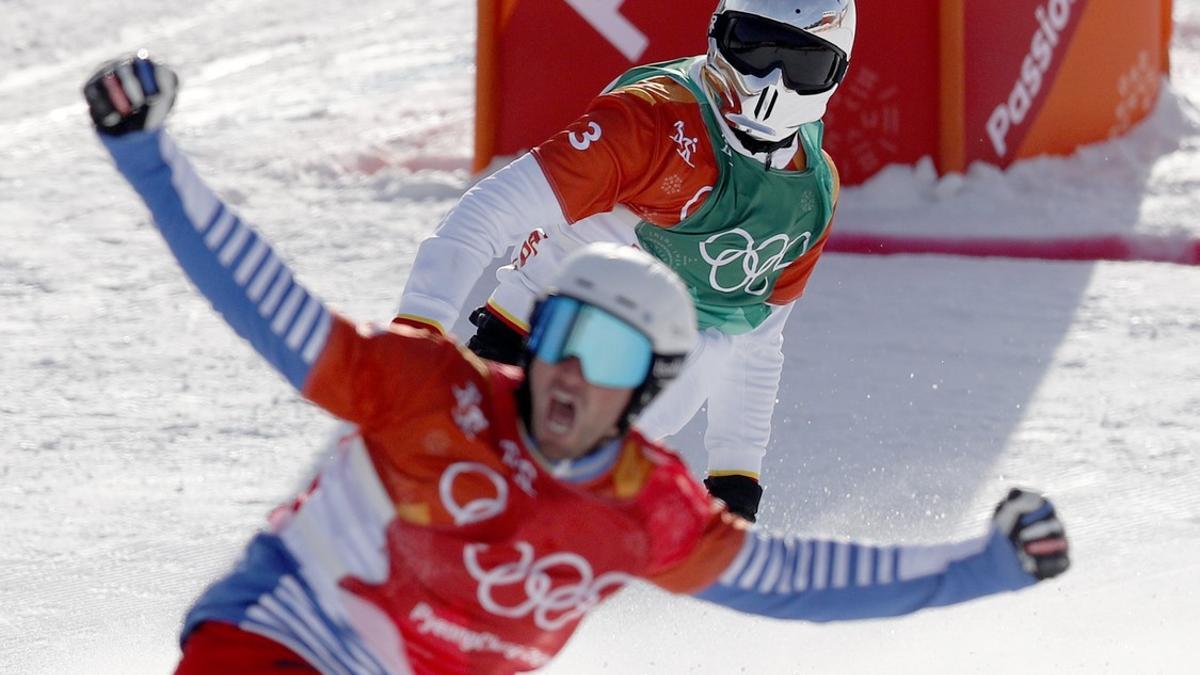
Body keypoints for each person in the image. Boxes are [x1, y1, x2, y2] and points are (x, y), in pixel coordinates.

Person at [85, 52, 1070, 675]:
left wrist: (987, 567)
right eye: (556, 339)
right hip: (282, 645)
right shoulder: (434, 390)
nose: (565, 374)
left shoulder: (649, 505)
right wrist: (148, 157)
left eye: (602, 355)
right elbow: (266, 303)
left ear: (648, 389)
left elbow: (796, 581)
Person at [396, 0, 859, 522]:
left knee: (518, 554)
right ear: (717, 34)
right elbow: (490, 211)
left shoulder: (811, 192)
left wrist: (735, 480)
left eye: (802, 64)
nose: (772, 82)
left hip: (639, 405)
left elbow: (754, 340)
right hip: (530, 351)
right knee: (421, 517)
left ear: (836, 72)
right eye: (752, 47)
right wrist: (417, 332)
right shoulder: (653, 120)